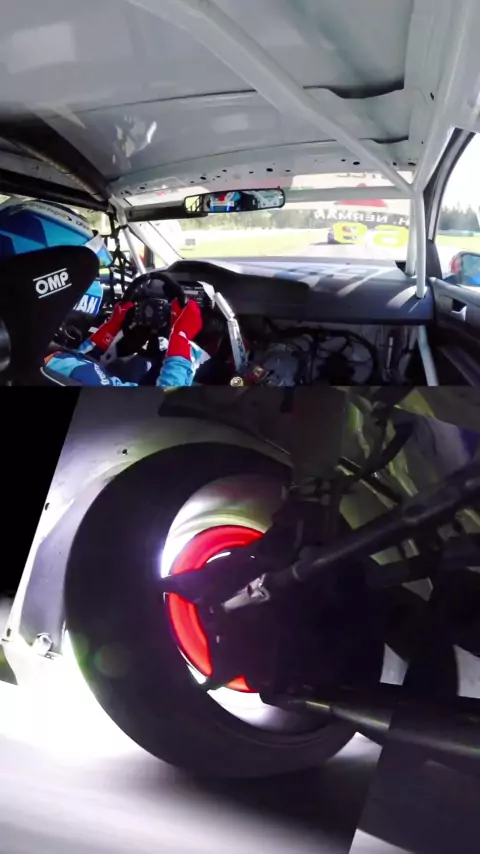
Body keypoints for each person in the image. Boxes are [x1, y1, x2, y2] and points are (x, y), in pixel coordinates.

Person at [44, 296, 203, 387]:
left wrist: (112, 326)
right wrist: (181, 337)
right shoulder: (80, 375)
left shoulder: (53, 360)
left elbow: (79, 358)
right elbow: (159, 404)